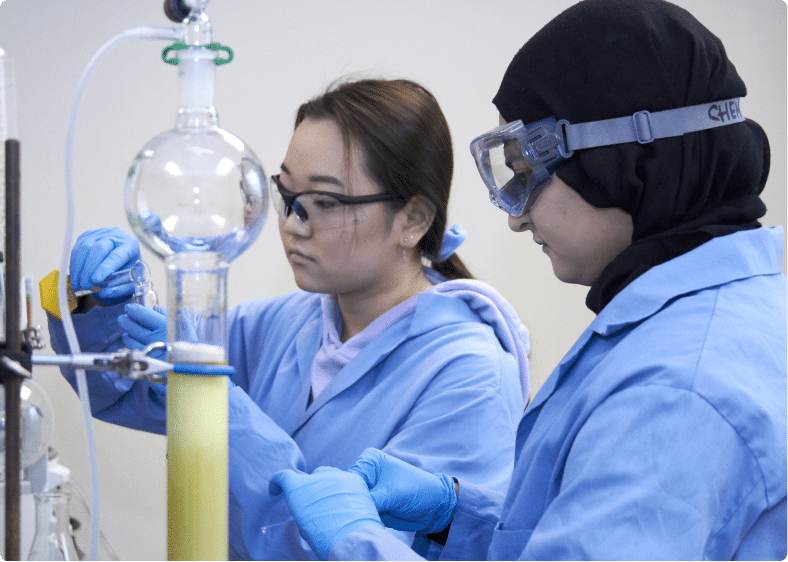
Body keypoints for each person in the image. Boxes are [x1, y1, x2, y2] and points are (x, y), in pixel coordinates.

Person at [269, 1, 788, 560]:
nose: (516, 217)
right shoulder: (705, 318)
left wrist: (357, 542)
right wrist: (457, 517)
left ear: (619, 159)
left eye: (527, 173)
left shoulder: (675, 391)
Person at [46, 78, 528, 560]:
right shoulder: (281, 325)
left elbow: (375, 549)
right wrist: (105, 305)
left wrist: (221, 410)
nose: (293, 224)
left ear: (413, 220)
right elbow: (124, 388)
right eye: (286, 194)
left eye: (325, 202)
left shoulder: (471, 375)